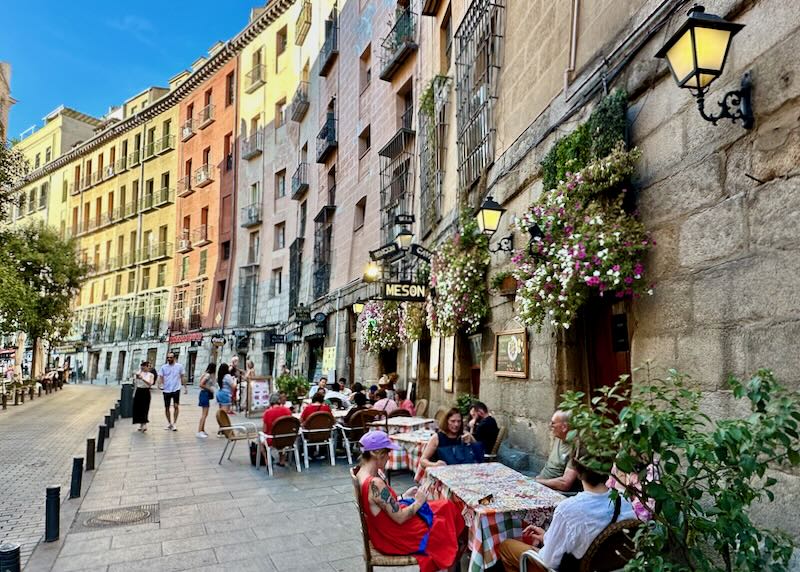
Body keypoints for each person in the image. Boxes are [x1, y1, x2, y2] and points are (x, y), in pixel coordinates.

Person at [497, 450, 635, 571]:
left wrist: (547, 543)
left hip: (573, 566)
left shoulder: (568, 509)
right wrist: (547, 537)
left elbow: (549, 561)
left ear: (578, 473)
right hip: (608, 566)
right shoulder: (625, 501)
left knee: (506, 547)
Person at [356, 431, 465, 572]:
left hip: (385, 529)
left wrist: (402, 497)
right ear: (377, 453)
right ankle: (454, 557)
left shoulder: (361, 473)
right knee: (444, 525)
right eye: (387, 452)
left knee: (445, 506)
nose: (389, 457)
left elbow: (378, 505)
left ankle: (454, 554)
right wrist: (418, 502)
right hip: (394, 537)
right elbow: (400, 517)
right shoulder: (375, 483)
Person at [535, 410, 579, 492]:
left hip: (554, 491)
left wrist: (537, 482)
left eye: (553, 423)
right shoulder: (559, 436)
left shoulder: (576, 448)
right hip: (541, 482)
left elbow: (565, 484)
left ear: (564, 427)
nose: (550, 426)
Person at [262, 392, 293, 466]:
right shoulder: (287, 411)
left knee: (261, 441)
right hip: (287, 439)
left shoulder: (267, 413)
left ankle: (267, 462)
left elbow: (264, 430)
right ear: (279, 401)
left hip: (273, 440)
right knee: (281, 436)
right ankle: (282, 460)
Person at [157, 352, 186, 431]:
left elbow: (182, 376)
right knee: (167, 407)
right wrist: (159, 384)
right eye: (168, 358)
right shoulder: (164, 367)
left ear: (174, 358)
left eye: (171, 357)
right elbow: (160, 376)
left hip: (176, 388)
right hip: (166, 389)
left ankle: (175, 423)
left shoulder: (179, 366)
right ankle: (169, 423)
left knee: (176, 406)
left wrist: (185, 387)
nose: (169, 359)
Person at [132, 361, 154, 432]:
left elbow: (150, 384)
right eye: (143, 366)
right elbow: (135, 384)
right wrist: (134, 393)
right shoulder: (138, 373)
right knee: (138, 408)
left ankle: (144, 424)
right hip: (139, 391)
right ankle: (141, 424)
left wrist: (142, 379)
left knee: (145, 407)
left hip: (146, 391)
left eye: (148, 366)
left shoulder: (151, 375)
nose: (148, 367)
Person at [197, 363, 217, 438]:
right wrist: (210, 389)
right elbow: (201, 384)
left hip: (204, 394)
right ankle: (199, 431)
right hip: (204, 393)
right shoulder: (208, 375)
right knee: (204, 414)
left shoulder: (206, 374)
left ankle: (202, 430)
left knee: (205, 414)